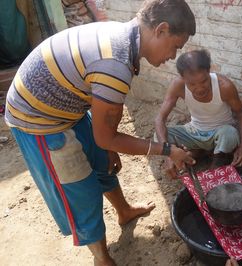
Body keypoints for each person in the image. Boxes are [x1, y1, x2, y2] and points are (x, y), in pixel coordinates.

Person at [5, 0, 196, 265]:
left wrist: (108, 147)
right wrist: (166, 150)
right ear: (161, 30)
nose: (173, 57)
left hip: (67, 105)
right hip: (39, 119)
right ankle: (102, 258)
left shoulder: (123, 40)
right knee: (81, 190)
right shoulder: (115, 63)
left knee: (103, 163)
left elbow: (109, 121)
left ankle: (124, 211)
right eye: (176, 46)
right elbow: (105, 135)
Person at [155, 49, 242, 178]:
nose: (199, 88)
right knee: (159, 135)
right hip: (195, 132)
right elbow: (160, 119)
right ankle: (197, 152)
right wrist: (168, 152)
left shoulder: (224, 86)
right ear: (182, 77)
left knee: (230, 134)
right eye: (192, 84)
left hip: (220, 135)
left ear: (208, 71)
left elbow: (241, 114)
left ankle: (213, 169)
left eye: (204, 81)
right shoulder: (178, 85)